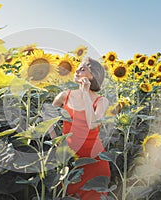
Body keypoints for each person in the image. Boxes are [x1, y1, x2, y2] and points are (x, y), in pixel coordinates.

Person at [52, 57, 110, 199]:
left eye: (83, 69)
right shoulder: (64, 96)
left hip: (94, 162)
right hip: (69, 160)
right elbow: (49, 116)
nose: (77, 70)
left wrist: (85, 93)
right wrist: (56, 141)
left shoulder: (101, 101)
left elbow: (92, 124)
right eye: (78, 67)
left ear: (93, 76)